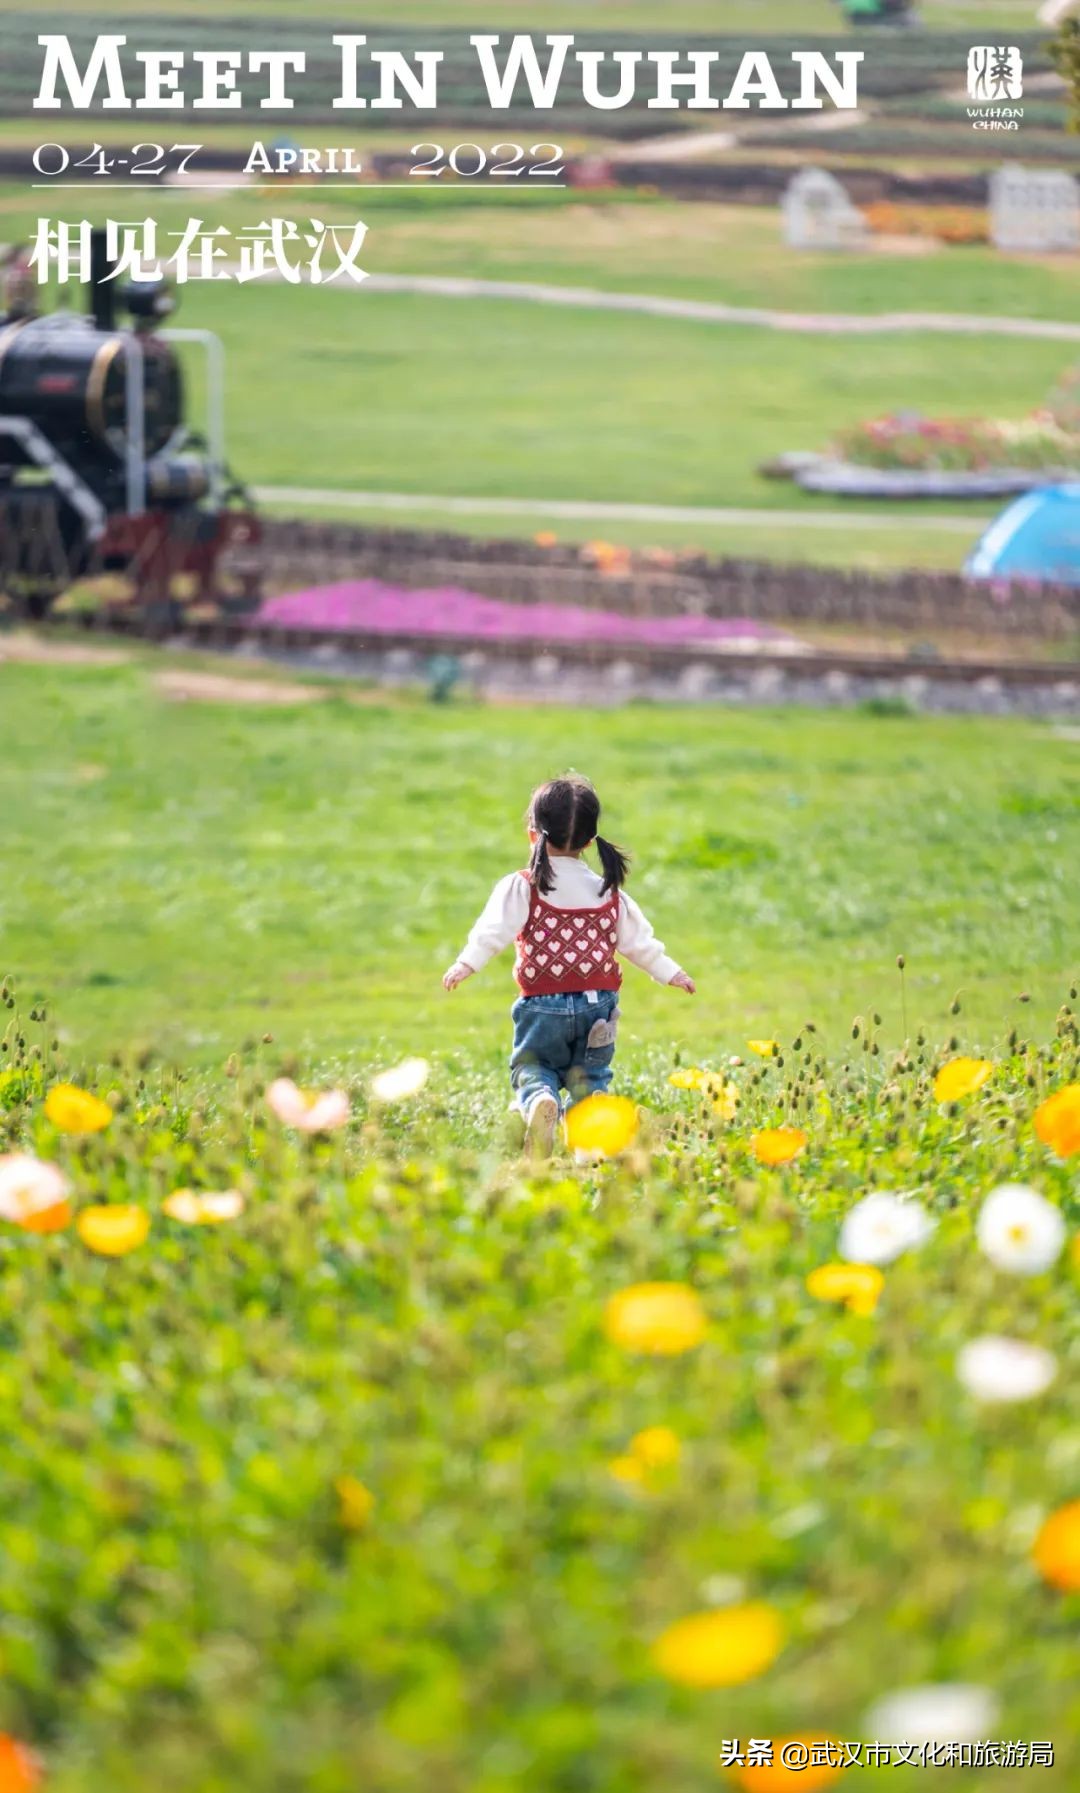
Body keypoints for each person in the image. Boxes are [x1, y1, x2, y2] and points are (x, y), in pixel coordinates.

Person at [443, 775, 695, 1157]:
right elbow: (640, 943)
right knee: (591, 1080)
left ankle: (541, 1100)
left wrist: (466, 964)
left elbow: (492, 931)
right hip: (599, 1007)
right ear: (590, 842)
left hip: (543, 1004)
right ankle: (589, 1149)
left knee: (534, 1067)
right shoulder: (609, 892)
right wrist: (671, 972)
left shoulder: (525, 886)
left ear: (533, 835)